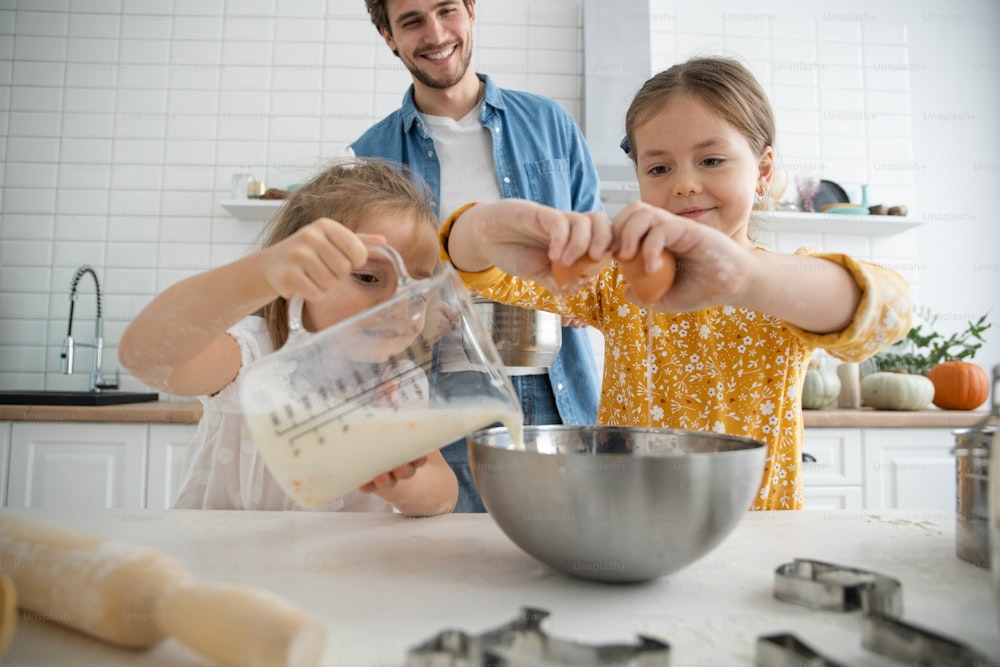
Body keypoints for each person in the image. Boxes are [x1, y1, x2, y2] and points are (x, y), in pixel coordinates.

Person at [437, 57, 913, 510]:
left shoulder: (781, 287)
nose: (684, 184)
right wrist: (482, 228)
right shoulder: (614, 282)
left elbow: (889, 311)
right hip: (627, 524)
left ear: (763, 171)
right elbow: (482, 273)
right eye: (660, 168)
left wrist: (744, 278)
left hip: (753, 533)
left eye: (711, 160)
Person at [350, 0, 603, 512]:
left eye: (447, 10)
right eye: (411, 21)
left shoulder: (551, 123)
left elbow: (597, 251)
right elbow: (366, 289)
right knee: (453, 564)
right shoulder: (372, 155)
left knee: (561, 555)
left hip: (555, 388)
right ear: (388, 36)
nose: (436, 33)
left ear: (470, 11)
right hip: (442, 396)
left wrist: (586, 284)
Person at [118, 159, 458, 516]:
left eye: (416, 289)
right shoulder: (252, 357)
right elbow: (149, 358)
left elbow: (443, 494)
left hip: (345, 570)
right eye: (368, 278)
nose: (397, 305)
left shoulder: (398, 384)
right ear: (298, 273)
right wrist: (260, 275)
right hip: (226, 565)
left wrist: (397, 478)